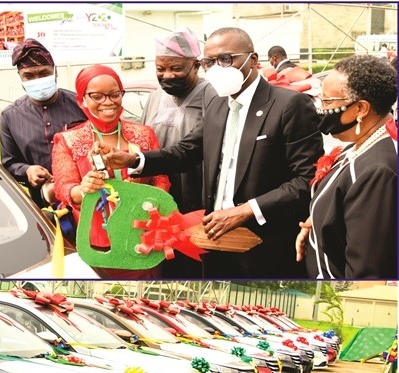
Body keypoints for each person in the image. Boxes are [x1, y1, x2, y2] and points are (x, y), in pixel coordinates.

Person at [103, 27, 323, 277]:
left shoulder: (289, 105)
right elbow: (187, 151)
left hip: (265, 242)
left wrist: (244, 210)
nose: (217, 68)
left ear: (253, 59)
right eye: (209, 62)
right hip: (213, 237)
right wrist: (134, 159)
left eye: (226, 59)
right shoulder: (218, 104)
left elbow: (306, 179)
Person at [42, 64, 170, 276]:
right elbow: (64, 189)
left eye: (114, 94)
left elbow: (161, 178)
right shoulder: (67, 140)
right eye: (97, 96)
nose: (108, 102)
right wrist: (83, 189)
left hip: (143, 237)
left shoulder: (144, 134)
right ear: (82, 99)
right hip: (97, 243)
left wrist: (154, 203)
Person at [296, 54, 397, 278]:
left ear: (361, 108)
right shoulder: (358, 145)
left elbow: (366, 271)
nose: (321, 108)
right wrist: (318, 223)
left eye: (328, 102)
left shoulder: (378, 172)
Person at [141, 28, 213, 277]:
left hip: (198, 191)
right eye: (161, 69)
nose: (167, 75)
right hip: (159, 193)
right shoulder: (154, 97)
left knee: (195, 260)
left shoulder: (212, 95)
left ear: (196, 65)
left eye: (176, 69)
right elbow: (144, 141)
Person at [0, 39, 87, 210]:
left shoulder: (82, 105)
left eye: (44, 73)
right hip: (44, 208)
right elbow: (9, 163)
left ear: (55, 72)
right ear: (20, 77)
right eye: (29, 76)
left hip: (87, 201)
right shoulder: (10, 116)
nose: (37, 80)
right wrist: (27, 170)